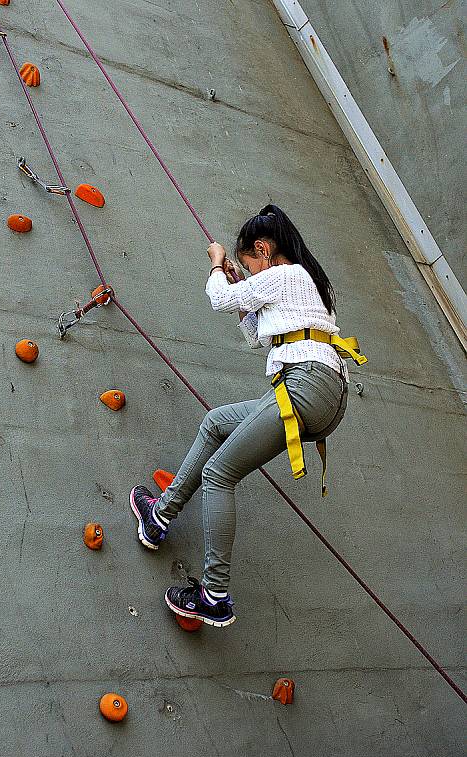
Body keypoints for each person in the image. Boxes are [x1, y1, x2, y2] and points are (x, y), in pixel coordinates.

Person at [130, 204, 359, 628]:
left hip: (305, 384)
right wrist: (243, 292)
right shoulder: (302, 284)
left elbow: (217, 298)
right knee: (217, 421)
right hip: (319, 392)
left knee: (219, 474)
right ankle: (160, 515)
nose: (251, 273)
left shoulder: (287, 274)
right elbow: (256, 336)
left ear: (263, 248)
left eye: (249, 263)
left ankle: (215, 594)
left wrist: (217, 265)